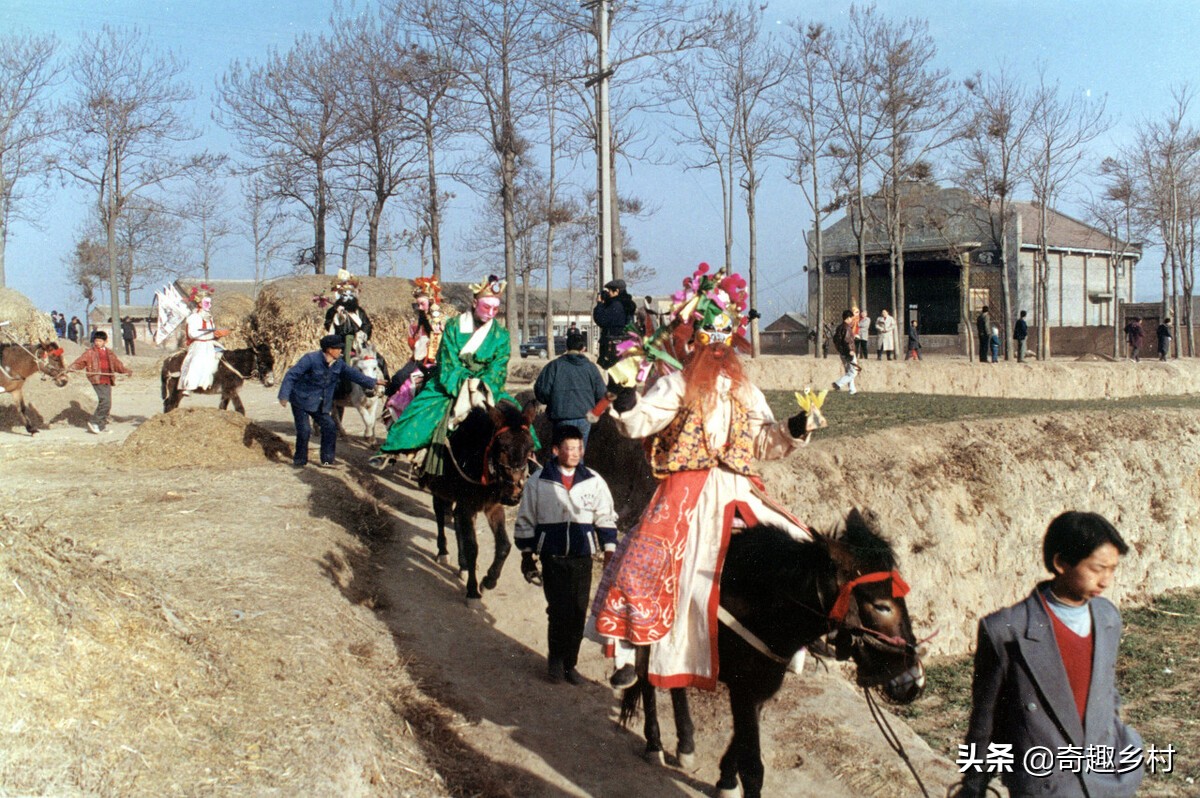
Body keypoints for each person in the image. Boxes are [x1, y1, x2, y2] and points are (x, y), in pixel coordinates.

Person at [591, 263, 822, 690]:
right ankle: (630, 648)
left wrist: (792, 428)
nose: (718, 348)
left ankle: (800, 635)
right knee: (645, 557)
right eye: (710, 338)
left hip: (738, 484)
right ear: (696, 340)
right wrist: (626, 403)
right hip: (686, 486)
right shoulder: (676, 385)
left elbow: (762, 442)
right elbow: (642, 421)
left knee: (799, 540)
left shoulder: (745, 391)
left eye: (725, 340)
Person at [953, 511, 1143, 798]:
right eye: (1097, 568)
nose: (1106, 581)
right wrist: (974, 784)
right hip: (1046, 784)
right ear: (1060, 563)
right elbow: (987, 718)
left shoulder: (1108, 618)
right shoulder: (1006, 630)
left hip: (1107, 779)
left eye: (1112, 569)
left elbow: (1105, 693)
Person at [371, 274, 533, 473]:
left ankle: (529, 459)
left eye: (495, 308)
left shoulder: (501, 334)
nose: (491, 313)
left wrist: (483, 384)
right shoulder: (454, 326)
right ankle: (393, 448)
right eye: (486, 307)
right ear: (475, 302)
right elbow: (448, 361)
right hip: (453, 381)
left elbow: (499, 367)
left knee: (516, 414)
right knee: (423, 407)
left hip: (486, 385)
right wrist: (464, 383)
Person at [516, 425, 618, 685]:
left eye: (578, 448)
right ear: (555, 450)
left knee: (578, 611)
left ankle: (571, 665)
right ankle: (556, 661)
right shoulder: (539, 481)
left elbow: (605, 515)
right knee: (558, 610)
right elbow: (526, 518)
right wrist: (527, 555)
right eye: (569, 448)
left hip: (582, 556)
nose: (575, 454)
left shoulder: (593, 480)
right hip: (552, 556)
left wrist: (609, 549)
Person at [278, 334, 384, 468]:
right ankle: (300, 460)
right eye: (338, 348)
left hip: (321, 403)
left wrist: (374, 382)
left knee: (330, 427)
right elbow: (291, 375)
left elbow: (354, 375)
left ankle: (327, 461)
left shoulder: (338, 363)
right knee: (304, 431)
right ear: (329, 349)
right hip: (301, 400)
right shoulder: (310, 359)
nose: (341, 351)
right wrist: (284, 395)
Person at [384, 278, 445, 423]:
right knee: (399, 377)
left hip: (436, 359)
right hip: (418, 358)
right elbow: (412, 343)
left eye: (422, 304)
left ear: (431, 302)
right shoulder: (417, 324)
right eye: (417, 304)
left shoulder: (441, 320)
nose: (419, 307)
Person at [533, 329, 606, 448]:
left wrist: (552, 402)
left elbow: (542, 392)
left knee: (562, 455)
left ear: (566, 347)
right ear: (583, 348)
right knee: (577, 456)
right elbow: (602, 394)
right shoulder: (591, 368)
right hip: (584, 418)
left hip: (561, 417)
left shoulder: (554, 366)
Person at [69, 330, 132, 434]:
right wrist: (71, 368)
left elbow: (117, 364)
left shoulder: (109, 353)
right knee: (105, 401)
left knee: (108, 403)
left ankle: (101, 426)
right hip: (96, 379)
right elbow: (79, 362)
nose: (97, 343)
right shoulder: (90, 352)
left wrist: (126, 371)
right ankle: (94, 422)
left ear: (105, 341)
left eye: (100, 341)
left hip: (107, 379)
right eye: (96, 341)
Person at [179, 284, 228, 393]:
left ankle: (209, 383)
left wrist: (217, 334)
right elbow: (192, 333)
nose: (209, 306)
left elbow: (212, 332)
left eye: (210, 303)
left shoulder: (210, 318)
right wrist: (209, 333)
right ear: (200, 304)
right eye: (207, 303)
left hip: (209, 344)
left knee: (218, 359)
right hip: (198, 345)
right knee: (197, 361)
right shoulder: (194, 317)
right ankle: (189, 386)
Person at [323, 269, 373, 359]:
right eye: (345, 295)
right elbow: (328, 325)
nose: (348, 298)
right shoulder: (333, 310)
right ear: (340, 296)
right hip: (340, 344)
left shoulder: (359, 311)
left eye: (350, 295)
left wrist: (362, 333)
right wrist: (338, 316)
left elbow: (367, 324)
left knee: (376, 360)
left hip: (358, 342)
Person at [593, 278, 637, 369]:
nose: (608, 293)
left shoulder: (616, 305)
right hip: (625, 342)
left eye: (609, 290)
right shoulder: (627, 304)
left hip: (613, 344)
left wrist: (599, 305)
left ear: (616, 291)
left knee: (611, 371)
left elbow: (601, 320)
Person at [831, 309, 859, 394]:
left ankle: (852, 390)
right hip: (848, 352)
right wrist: (850, 350)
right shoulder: (847, 328)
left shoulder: (839, 327)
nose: (852, 320)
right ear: (848, 318)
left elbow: (836, 340)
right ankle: (838, 383)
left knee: (849, 371)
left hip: (842, 352)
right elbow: (847, 341)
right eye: (851, 318)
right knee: (854, 372)